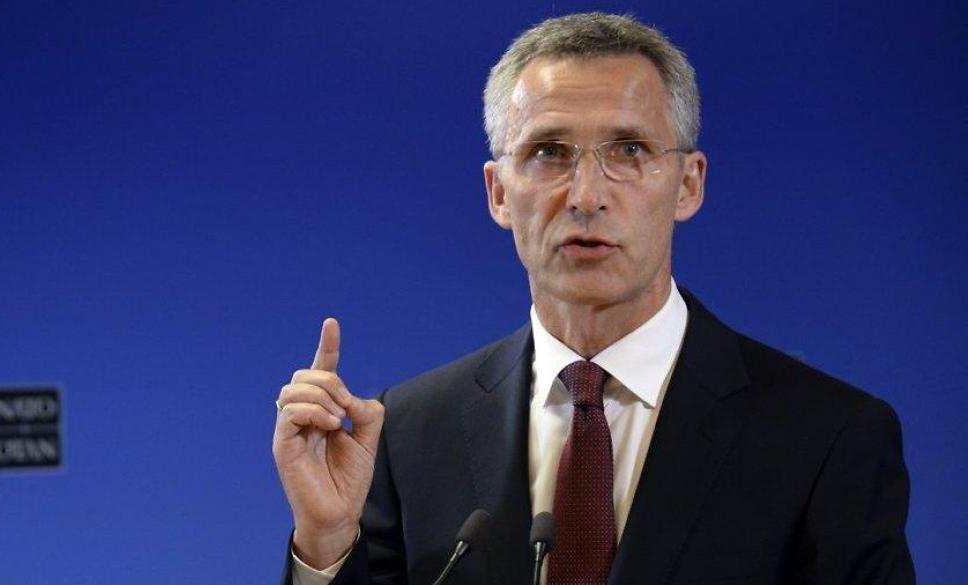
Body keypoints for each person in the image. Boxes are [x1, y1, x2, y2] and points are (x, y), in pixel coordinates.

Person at [272, 12, 914, 585]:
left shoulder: (827, 437)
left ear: (688, 185)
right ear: (499, 193)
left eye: (629, 151)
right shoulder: (409, 430)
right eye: (549, 152)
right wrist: (326, 543)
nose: (585, 195)